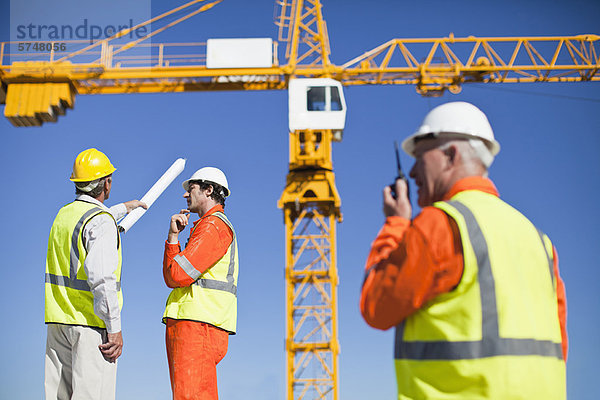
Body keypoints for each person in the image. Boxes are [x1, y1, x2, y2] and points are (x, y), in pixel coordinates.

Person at [360, 102, 567, 400]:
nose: (414, 172)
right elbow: (560, 343)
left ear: (450, 156)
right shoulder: (537, 239)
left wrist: (395, 224)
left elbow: (376, 306)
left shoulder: (441, 224)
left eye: (419, 158)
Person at [45, 148, 147, 400]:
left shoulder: (64, 215)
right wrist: (114, 328)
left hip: (58, 323)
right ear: (106, 183)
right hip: (90, 328)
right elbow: (102, 279)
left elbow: (90, 223)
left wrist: (124, 208)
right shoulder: (100, 222)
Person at [162, 166, 239, 400]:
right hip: (196, 322)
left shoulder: (213, 226)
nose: (186, 194)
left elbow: (176, 275)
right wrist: (174, 238)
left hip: (198, 324)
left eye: (191, 189)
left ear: (208, 190)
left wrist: (173, 241)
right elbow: (174, 276)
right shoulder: (207, 227)